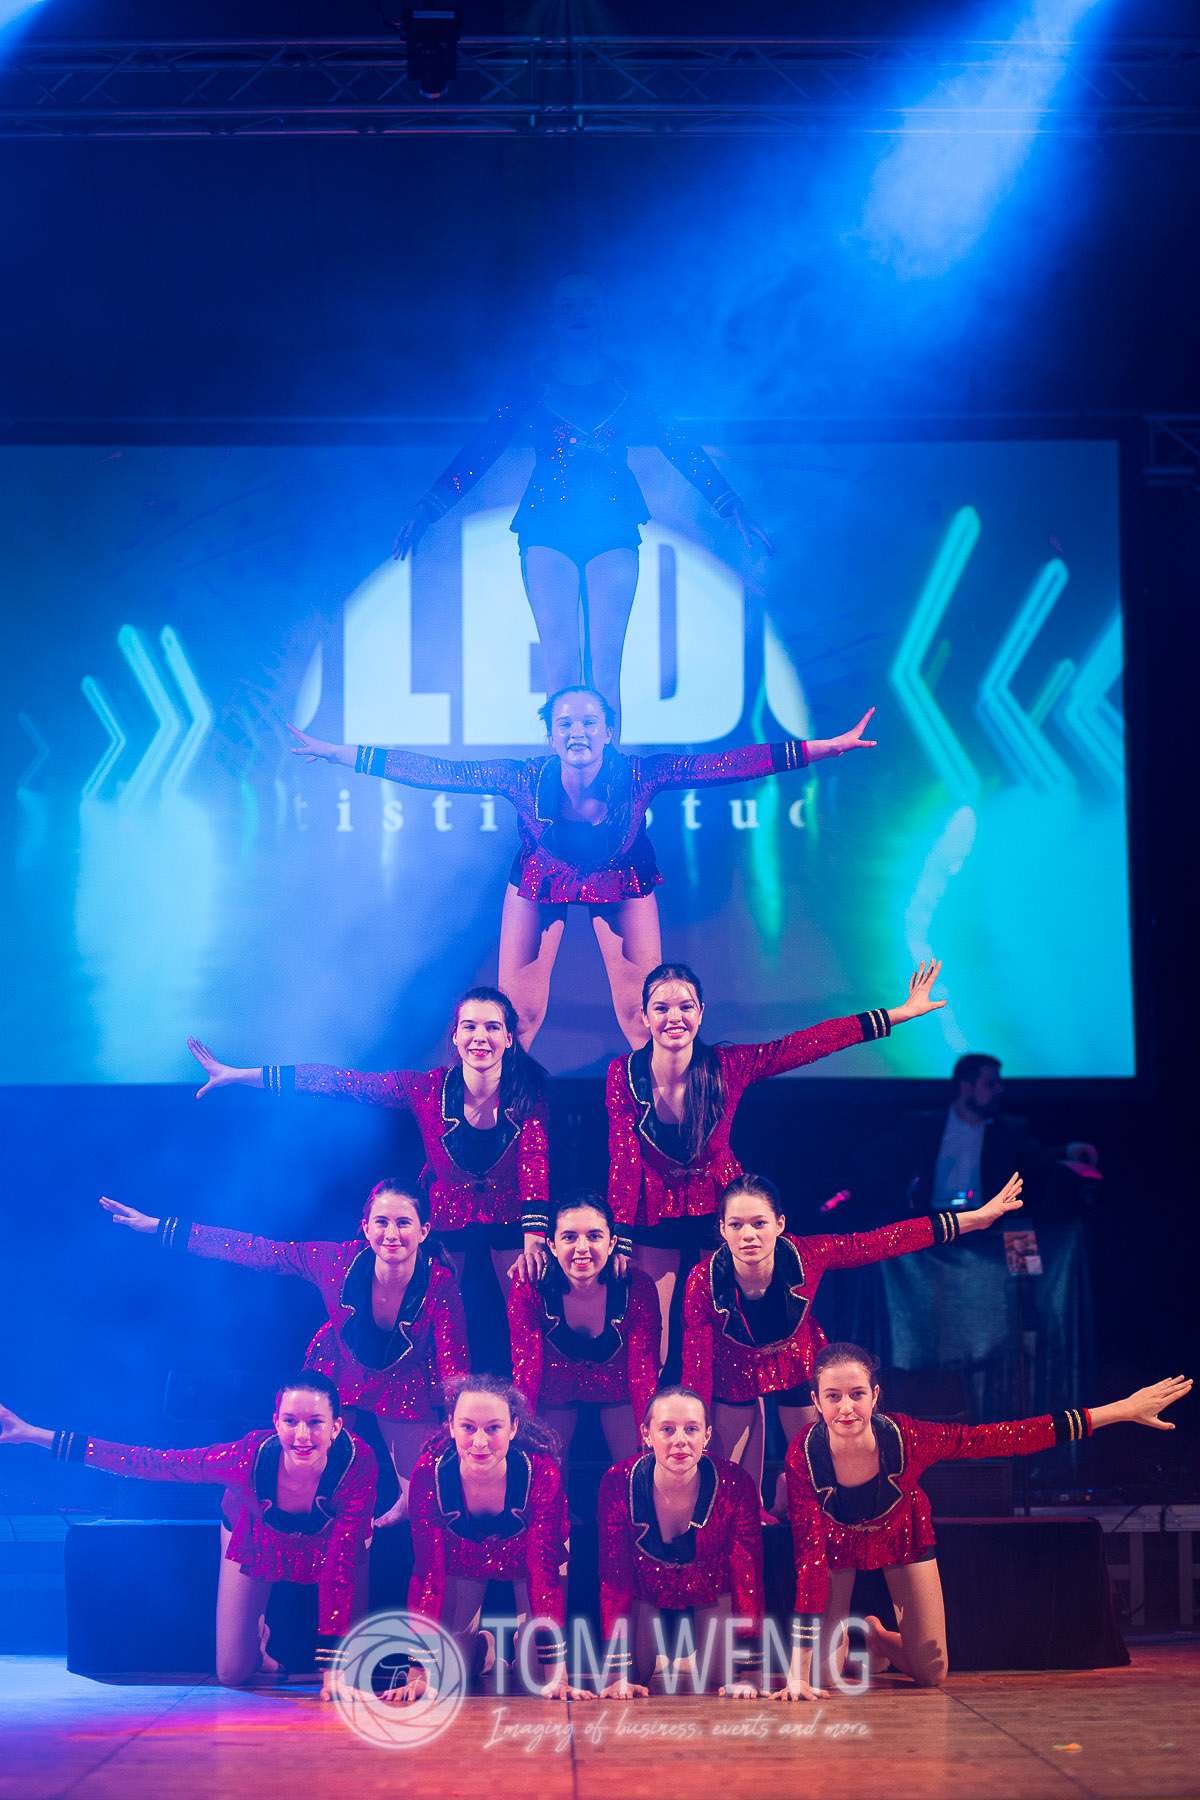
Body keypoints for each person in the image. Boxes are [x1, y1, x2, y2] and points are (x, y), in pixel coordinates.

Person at [286, 689, 876, 1052]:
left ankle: (663, 1121)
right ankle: (504, 1126)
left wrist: (824, 748)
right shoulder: (521, 777)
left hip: (622, 879)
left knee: (641, 1017)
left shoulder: (640, 774)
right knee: (519, 1018)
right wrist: (342, 754)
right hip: (540, 880)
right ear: (550, 736)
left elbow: (727, 764)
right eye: (566, 723)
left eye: (590, 722)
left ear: (609, 732)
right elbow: (435, 771)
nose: (578, 732)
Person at [392, 272, 773, 736]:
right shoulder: (531, 386)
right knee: (561, 668)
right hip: (547, 526)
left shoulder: (630, 384)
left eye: (587, 304)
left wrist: (730, 504)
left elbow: (678, 443)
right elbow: (482, 449)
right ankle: (564, 774)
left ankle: (611, 775)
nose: (578, 314)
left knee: (607, 670)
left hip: (611, 525)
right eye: (567, 306)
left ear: (603, 313)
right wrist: (429, 507)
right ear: (552, 317)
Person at [778, 1341, 1192, 1700]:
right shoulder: (803, 1456)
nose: (846, 1408)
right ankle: (839, 1643)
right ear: (816, 1401)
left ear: (875, 1395)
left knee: (930, 1674)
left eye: (856, 1394)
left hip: (901, 1534)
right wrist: (797, 1675)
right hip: (836, 1545)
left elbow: (1002, 1437)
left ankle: (875, 1634)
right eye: (833, 1396)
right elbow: (809, 1560)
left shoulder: (909, 1438)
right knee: (824, 1677)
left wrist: (1119, 1410)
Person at [607, 958, 947, 1360]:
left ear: (701, 1012)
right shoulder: (623, 1074)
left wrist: (898, 1014)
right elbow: (623, 1158)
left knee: (724, 1336)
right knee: (651, 1337)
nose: (674, 1018)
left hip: (720, 1209)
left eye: (685, 1006)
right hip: (653, 1210)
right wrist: (621, 1234)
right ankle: (656, 1405)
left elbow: (807, 1044)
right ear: (645, 1015)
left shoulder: (727, 1066)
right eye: (662, 1008)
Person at [99, 1177, 468, 1527]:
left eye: (403, 1223)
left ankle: (405, 1508)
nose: (391, 1234)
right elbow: (257, 1251)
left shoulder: (440, 1283)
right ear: (366, 1227)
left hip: (402, 1382)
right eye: (382, 1222)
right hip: (339, 1372)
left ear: (423, 1230)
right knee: (300, 1470)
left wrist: (457, 1417)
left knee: (429, 1493)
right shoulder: (335, 1261)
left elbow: (454, 1358)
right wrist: (162, 1227)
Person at [0, 1370, 375, 1697]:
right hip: (257, 1535)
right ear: (275, 1422)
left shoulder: (358, 1465)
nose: (302, 1435)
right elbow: (150, 1463)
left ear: (336, 1426)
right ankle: (258, 1646)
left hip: (335, 1547)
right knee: (233, 1674)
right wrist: (34, 1435)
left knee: (350, 1669)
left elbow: (339, 1566)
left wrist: (334, 1670)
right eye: (291, 1421)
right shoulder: (245, 1458)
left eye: (315, 1423)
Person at [682, 1170, 1025, 1497]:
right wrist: (693, 1421)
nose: (749, 1235)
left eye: (759, 1223)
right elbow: (695, 1362)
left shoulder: (807, 1255)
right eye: (737, 1225)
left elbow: (882, 1242)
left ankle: (793, 1499)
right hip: (735, 1366)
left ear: (780, 1224)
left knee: (814, 1466)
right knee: (731, 1478)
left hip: (795, 1358)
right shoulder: (703, 1281)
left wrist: (974, 1219)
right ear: (723, 1229)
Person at [185, 985, 551, 1287]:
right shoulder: (425, 1089)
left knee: (525, 1301)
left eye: (491, 1027)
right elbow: (339, 1083)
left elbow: (534, 1164)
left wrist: (534, 1237)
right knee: (439, 1309)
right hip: (443, 1215)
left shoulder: (528, 1092)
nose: (480, 1037)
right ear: (455, 1036)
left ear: (508, 1038)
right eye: (470, 1027)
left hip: (513, 1213)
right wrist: (241, 1075)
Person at [387, 1375, 579, 1702]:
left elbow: (544, 1574)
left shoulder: (541, 1472)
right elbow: (427, 1574)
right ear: (450, 1426)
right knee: (449, 1675)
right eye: (468, 1427)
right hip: (463, 1557)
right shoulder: (429, 1474)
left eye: (493, 1428)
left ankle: (524, 1645)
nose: (479, 1442)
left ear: (513, 1428)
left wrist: (557, 1676)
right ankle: (483, 1648)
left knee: (534, 1676)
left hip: (531, 1561)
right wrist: (417, 1672)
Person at [597, 1386, 763, 1698]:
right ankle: (665, 1660)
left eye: (691, 1429)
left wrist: (749, 1673)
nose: (680, 1440)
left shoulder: (735, 1484)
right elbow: (614, 1577)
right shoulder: (618, 1481)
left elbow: (747, 1575)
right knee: (634, 1676)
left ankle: (688, 1660)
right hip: (645, 1589)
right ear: (647, 1434)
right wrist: (616, 1674)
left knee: (720, 1675)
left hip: (711, 1586)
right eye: (667, 1429)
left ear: (707, 1435)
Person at [507, 1192, 660, 1467]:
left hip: (617, 1384)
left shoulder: (638, 1287)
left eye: (594, 1236)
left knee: (637, 1463)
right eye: (569, 1237)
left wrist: (649, 1438)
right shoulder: (529, 1285)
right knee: (544, 1465)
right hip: (556, 1384)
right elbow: (526, 1368)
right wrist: (521, 1435)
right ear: (552, 1245)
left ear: (612, 1243)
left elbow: (644, 1373)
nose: (582, 1248)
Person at [856, 1052, 1100, 1222]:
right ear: (966, 1087)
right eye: (990, 1084)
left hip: (987, 1224)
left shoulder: (1009, 1130)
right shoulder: (924, 1126)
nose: (999, 1090)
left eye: (998, 1083)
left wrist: (1069, 1150)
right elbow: (882, 1156)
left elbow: (1036, 1155)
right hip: (933, 1223)